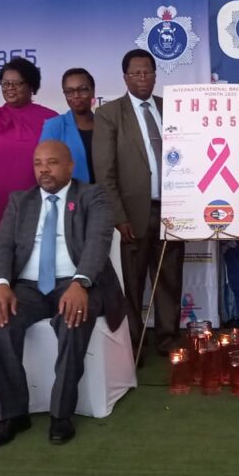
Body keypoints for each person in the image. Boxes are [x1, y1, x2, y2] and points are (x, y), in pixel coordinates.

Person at [0, 140, 126, 448]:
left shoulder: (92, 196)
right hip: (28, 286)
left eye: (52, 162)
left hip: (74, 282)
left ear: (70, 166)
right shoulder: (21, 201)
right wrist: (1, 285)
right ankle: (13, 412)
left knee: (74, 317)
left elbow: (97, 243)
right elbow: (2, 246)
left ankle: (62, 413)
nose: (44, 169)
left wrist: (80, 283)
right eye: (38, 163)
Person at [93, 48, 184, 360]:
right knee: (131, 282)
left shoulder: (171, 109)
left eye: (148, 72)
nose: (143, 78)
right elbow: (104, 172)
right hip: (132, 213)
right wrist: (118, 216)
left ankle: (169, 338)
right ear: (125, 77)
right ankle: (133, 343)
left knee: (170, 277)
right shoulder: (109, 114)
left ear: (156, 75)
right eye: (136, 73)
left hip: (172, 210)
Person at [0, 57, 59, 232]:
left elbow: (62, 163)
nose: (10, 88)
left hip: (40, 203)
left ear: (31, 86)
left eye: (17, 83)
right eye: (5, 83)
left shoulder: (51, 119)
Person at [40, 67, 96, 183]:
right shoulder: (54, 127)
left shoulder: (106, 124)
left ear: (93, 91)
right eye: (69, 91)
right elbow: (45, 168)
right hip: (72, 198)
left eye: (83, 89)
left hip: (106, 197)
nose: (76, 95)